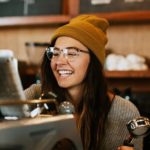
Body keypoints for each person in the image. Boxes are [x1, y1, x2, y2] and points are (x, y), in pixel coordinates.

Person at [24, 15, 143, 150]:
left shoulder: (124, 113)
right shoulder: (33, 96)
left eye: (72, 53)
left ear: (93, 61)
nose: (59, 62)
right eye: (55, 53)